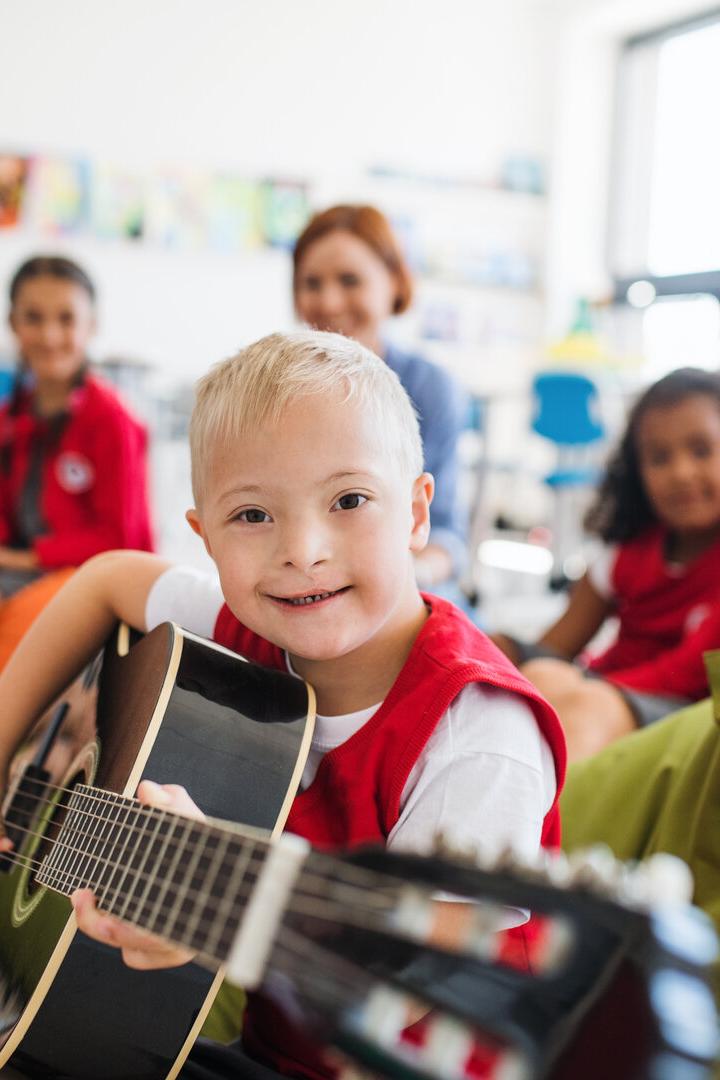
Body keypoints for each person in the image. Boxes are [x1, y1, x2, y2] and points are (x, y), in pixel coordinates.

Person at [0, 331, 565, 1079]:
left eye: (350, 500)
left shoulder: (480, 731)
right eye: (253, 516)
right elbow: (106, 579)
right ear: (203, 537)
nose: (302, 549)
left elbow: (415, 986)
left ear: (418, 514)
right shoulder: (252, 622)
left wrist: (208, 917)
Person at [493, 367, 720, 762]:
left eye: (701, 450)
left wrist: (588, 686)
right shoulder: (627, 556)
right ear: (637, 471)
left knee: (584, 703)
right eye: (659, 458)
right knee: (503, 654)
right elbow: (555, 644)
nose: (681, 473)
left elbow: (686, 674)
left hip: (679, 708)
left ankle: (526, 821)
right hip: (608, 686)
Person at [293, 205, 468, 592]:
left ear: (393, 283)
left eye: (350, 280)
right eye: (311, 284)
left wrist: (408, 577)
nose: (330, 302)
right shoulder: (280, 393)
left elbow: (448, 534)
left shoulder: (432, 389)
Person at [0, 255, 154, 669]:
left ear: (91, 326)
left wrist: (28, 557)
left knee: (22, 623)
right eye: (34, 318)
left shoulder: (112, 421)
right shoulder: (10, 417)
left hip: (95, 583)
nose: (50, 335)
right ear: (13, 324)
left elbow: (120, 539)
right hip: (27, 574)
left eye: (66, 319)